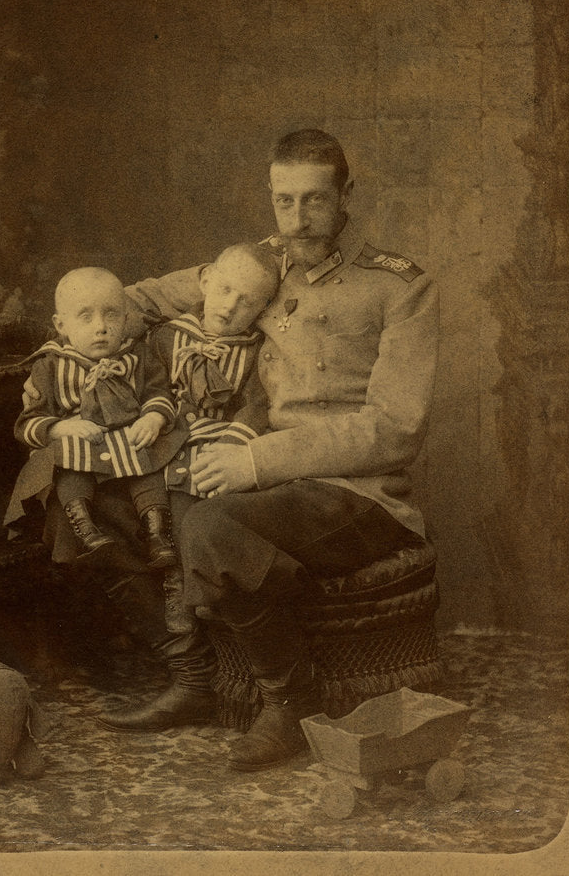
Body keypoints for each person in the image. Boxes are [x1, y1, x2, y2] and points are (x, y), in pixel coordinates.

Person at [99, 129, 440, 772]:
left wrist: (259, 462)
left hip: (355, 493)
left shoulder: (400, 287)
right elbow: (134, 301)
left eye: (314, 200)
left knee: (209, 524)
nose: (297, 219)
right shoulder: (256, 269)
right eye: (284, 201)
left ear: (346, 195)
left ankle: (288, 701)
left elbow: (396, 428)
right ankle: (196, 679)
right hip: (264, 479)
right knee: (111, 499)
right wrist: (85, 337)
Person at [97, 242, 279, 730]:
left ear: (264, 309)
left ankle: (206, 670)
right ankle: (187, 664)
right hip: (163, 446)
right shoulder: (168, 337)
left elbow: (262, 403)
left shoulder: (259, 352)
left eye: (247, 302)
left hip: (215, 454)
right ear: (203, 283)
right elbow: (142, 379)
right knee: (107, 500)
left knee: (187, 528)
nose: (230, 305)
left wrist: (239, 441)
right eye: (223, 290)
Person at [4, 266, 186, 569]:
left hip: (129, 437)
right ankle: (84, 527)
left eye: (112, 315)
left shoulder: (136, 356)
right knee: (66, 463)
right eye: (85, 317)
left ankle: (157, 533)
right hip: (82, 442)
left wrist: (153, 417)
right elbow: (27, 424)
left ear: (127, 319)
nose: (100, 327)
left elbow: (159, 392)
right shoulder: (50, 366)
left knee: (151, 459)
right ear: (61, 324)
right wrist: (61, 428)